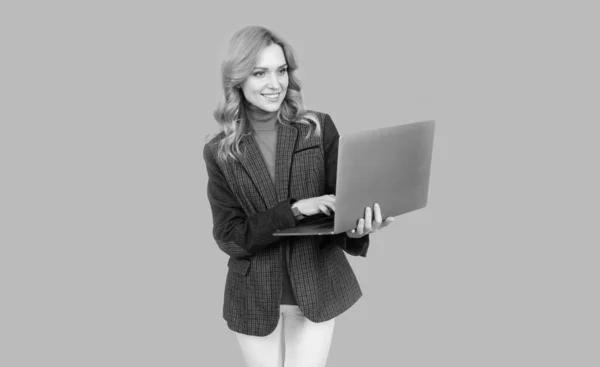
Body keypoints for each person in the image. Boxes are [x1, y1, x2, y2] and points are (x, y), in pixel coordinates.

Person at [203, 25, 395, 367]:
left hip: (316, 288)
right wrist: (293, 210)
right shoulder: (220, 152)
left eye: (281, 71)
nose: (275, 84)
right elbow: (231, 237)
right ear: (238, 80)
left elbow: (342, 206)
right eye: (259, 73)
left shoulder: (317, 128)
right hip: (254, 297)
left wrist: (359, 228)